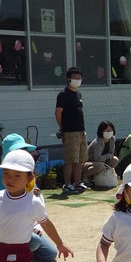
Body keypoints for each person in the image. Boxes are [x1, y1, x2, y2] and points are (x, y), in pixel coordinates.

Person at [0, 133, 58, 262]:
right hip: (8, 226)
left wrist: (35, 225)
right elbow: (8, 205)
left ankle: (16, 253)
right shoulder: (0, 174)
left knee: (50, 254)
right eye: (19, 150)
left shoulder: (25, 173)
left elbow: (33, 200)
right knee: (35, 241)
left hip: (26, 225)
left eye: (24, 150)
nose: (23, 153)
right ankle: (8, 254)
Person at [55, 66, 88, 194]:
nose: (78, 79)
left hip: (81, 130)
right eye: (75, 77)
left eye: (79, 77)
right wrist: (62, 128)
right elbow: (58, 112)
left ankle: (78, 182)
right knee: (70, 159)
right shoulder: (63, 95)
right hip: (70, 131)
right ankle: (67, 184)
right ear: (69, 79)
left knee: (80, 159)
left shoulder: (78, 94)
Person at [83, 120, 121, 184]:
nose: (109, 132)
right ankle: (84, 178)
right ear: (101, 131)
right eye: (106, 130)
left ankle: (104, 176)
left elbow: (112, 154)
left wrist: (106, 157)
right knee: (100, 166)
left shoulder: (112, 139)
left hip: (103, 161)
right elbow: (97, 158)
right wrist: (107, 156)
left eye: (110, 129)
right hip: (89, 162)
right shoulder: (98, 141)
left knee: (115, 160)